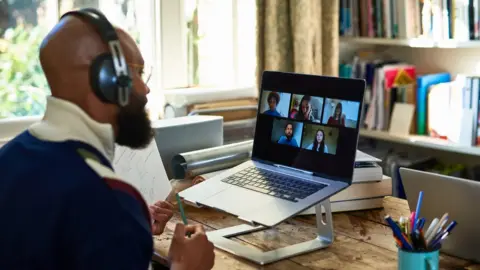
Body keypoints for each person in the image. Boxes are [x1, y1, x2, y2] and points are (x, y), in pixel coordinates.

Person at [0, 9, 214, 270]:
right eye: (138, 73)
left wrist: (127, 230)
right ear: (108, 80)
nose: (145, 88)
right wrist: (186, 266)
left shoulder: (9, 157)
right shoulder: (110, 200)